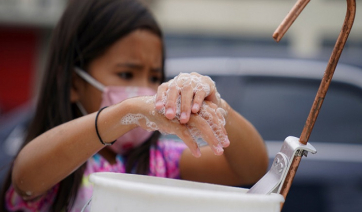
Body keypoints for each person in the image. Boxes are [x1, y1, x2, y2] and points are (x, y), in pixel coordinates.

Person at [0, 0, 268, 211]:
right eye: (127, 74)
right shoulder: (57, 161)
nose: (145, 90)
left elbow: (251, 169)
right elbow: (25, 177)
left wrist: (218, 106)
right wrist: (127, 112)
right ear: (73, 84)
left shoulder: (161, 163)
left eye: (154, 77)